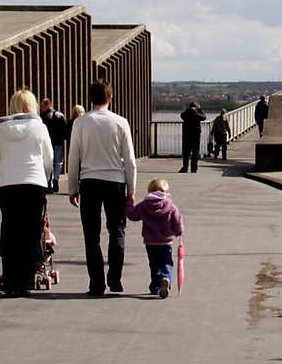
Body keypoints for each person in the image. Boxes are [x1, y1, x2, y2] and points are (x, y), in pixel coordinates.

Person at [67, 80, 137, 296]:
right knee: (116, 229)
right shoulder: (121, 122)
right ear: (110, 97)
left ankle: (96, 283)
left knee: (91, 234)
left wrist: (72, 188)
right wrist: (131, 190)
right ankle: (115, 279)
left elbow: (73, 158)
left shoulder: (80, 122)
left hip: (89, 182)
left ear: (91, 98)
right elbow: (130, 160)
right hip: (115, 181)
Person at [0, 89, 53, 297]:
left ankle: (10, 279)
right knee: (31, 231)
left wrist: (1, 176)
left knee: (10, 229)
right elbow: (48, 158)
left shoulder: (1, 129)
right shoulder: (39, 127)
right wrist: (45, 177)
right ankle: (25, 281)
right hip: (34, 182)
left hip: (7, 184)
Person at [126, 177, 184, 298]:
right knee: (166, 262)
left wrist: (129, 203)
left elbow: (133, 215)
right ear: (165, 191)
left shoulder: (144, 204)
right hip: (165, 241)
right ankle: (166, 278)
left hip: (150, 241)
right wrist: (178, 232)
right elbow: (177, 219)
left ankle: (156, 287)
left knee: (154, 264)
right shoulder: (170, 205)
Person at [39, 97, 68, 193]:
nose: (41, 108)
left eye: (42, 106)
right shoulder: (59, 115)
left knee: (48, 161)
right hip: (58, 142)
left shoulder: (42, 117)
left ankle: (49, 182)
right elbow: (64, 128)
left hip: (48, 142)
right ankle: (56, 178)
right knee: (58, 162)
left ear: (47, 105)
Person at [179, 100, 206, 173]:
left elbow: (181, 115)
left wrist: (188, 109)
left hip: (186, 135)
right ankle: (194, 168)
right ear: (196, 107)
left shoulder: (185, 114)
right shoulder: (196, 114)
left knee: (186, 152)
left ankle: (185, 168)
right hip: (195, 135)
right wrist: (200, 110)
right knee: (195, 152)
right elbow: (204, 117)